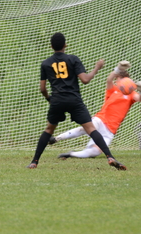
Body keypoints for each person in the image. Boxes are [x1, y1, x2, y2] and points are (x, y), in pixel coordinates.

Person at [27, 33, 126, 170]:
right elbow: (85, 80)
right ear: (65, 45)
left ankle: (34, 162)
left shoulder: (46, 63)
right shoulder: (73, 59)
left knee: (49, 129)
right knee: (91, 129)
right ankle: (110, 157)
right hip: (74, 99)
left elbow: (42, 89)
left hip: (57, 100)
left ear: (51, 47)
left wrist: (50, 99)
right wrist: (97, 68)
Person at [51, 64, 141, 159]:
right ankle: (56, 139)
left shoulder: (131, 94)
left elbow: (139, 98)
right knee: (85, 128)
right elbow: (109, 80)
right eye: (117, 79)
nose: (116, 81)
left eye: (118, 79)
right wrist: (118, 69)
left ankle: (71, 154)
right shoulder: (113, 90)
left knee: (95, 152)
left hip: (110, 130)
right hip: (100, 119)